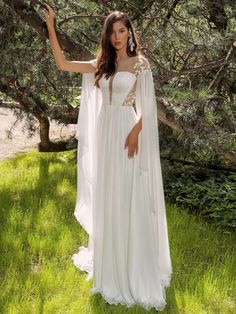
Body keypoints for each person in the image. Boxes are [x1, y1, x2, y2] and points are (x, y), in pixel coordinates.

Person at [44, 3, 173, 311]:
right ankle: (110, 261)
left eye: (122, 30)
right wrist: (51, 26)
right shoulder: (102, 62)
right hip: (105, 133)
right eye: (112, 32)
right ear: (107, 36)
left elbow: (149, 108)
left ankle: (132, 264)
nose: (117, 37)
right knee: (109, 196)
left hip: (127, 131)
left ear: (129, 32)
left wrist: (135, 132)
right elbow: (62, 64)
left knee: (128, 195)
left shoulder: (141, 64)